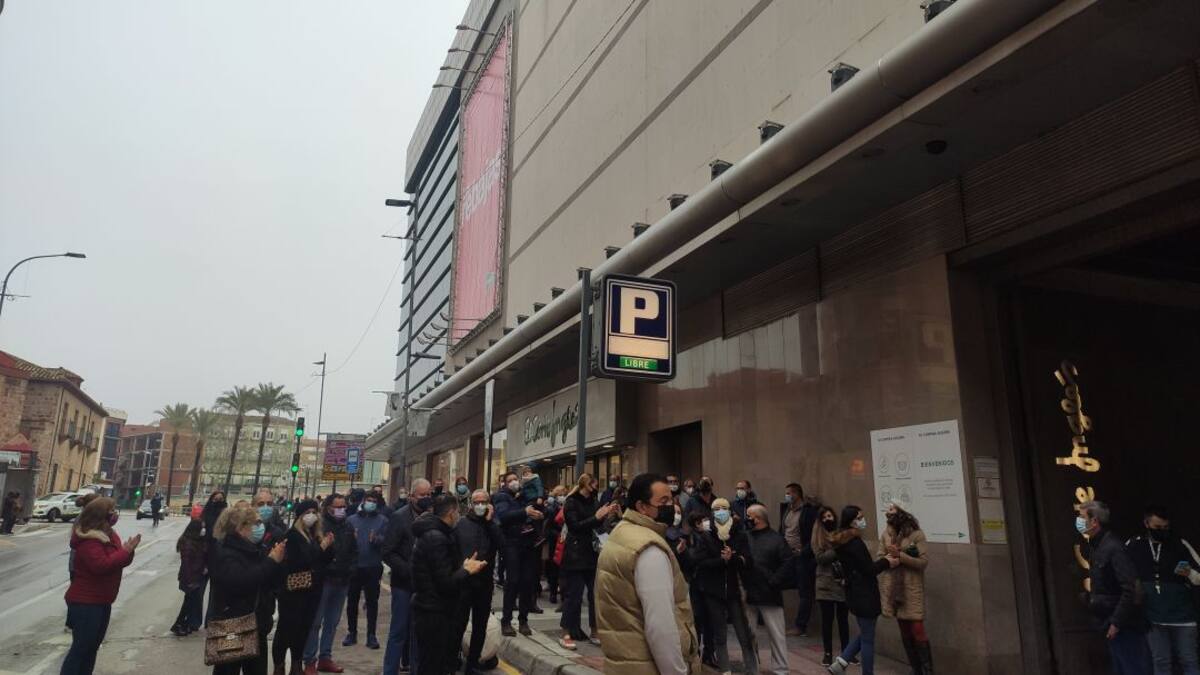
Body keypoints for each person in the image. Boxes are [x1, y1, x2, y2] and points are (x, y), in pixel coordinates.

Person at [595, 472, 701, 674]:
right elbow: (660, 627)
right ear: (642, 506)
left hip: (625, 662)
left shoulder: (621, 533)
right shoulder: (649, 549)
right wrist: (677, 671)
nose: (670, 507)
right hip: (646, 665)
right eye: (663, 501)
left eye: (671, 500)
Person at [60, 497, 140, 675]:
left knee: (91, 649)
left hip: (102, 600)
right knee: (81, 650)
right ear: (101, 515)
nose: (115, 514)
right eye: (112, 511)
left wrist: (128, 551)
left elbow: (117, 561)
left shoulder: (110, 535)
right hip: (86, 602)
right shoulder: (89, 539)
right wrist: (124, 551)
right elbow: (101, 566)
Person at [412, 493, 489, 675]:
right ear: (452, 513)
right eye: (457, 512)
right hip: (434, 612)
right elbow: (445, 583)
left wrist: (462, 566)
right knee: (433, 665)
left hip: (431, 609)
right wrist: (466, 570)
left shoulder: (434, 533)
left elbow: (439, 571)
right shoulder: (436, 537)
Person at [209, 503, 287, 675]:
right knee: (228, 670)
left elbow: (268, 581)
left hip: (256, 622)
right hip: (232, 624)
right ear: (241, 527)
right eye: (256, 523)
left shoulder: (253, 548)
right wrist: (271, 561)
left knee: (256, 669)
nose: (260, 527)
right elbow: (242, 580)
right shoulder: (226, 551)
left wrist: (277, 562)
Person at [684, 497, 758, 675]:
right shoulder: (706, 535)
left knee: (744, 633)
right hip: (713, 591)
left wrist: (733, 558)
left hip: (734, 590)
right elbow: (699, 562)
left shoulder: (739, 534)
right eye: (716, 509)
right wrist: (721, 560)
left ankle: (752, 669)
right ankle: (725, 670)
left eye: (724, 508)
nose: (720, 512)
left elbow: (747, 561)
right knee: (720, 634)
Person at [1127, 505, 1200, 675]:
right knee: (1161, 661)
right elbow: (1123, 574)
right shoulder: (1134, 544)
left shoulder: (1180, 544)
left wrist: (1188, 572)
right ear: (1146, 523)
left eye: (1166, 527)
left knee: (1188, 659)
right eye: (1157, 527)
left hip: (1183, 615)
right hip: (1153, 615)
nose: (1162, 531)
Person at [1078, 500, 1149, 675]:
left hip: (1124, 625)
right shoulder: (1097, 546)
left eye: (1082, 517)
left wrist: (1116, 622)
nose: (1079, 521)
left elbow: (1130, 588)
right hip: (1109, 622)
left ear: (1094, 521)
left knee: (1131, 667)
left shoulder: (1113, 548)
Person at [827, 506, 898, 675]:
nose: (863, 520)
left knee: (866, 632)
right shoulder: (854, 543)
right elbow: (868, 569)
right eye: (860, 517)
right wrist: (887, 561)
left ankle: (840, 663)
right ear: (852, 521)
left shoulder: (843, 541)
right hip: (864, 593)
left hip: (855, 592)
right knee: (868, 639)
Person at [273, 499, 333, 675]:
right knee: (286, 628)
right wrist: (322, 547)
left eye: (314, 512)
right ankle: (279, 666)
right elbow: (303, 560)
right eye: (308, 513)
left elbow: (325, 559)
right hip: (293, 590)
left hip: (312, 589)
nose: (312, 516)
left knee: (303, 629)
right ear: (300, 516)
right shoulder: (293, 535)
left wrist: (328, 545)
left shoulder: (314, 535)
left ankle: (296, 664)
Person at [559, 473, 619, 648]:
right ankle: (565, 632)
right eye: (593, 485)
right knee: (574, 596)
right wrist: (597, 517)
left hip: (592, 553)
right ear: (585, 485)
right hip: (576, 554)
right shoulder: (571, 502)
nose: (596, 488)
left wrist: (607, 516)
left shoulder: (593, 501)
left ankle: (595, 630)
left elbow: (597, 526)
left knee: (595, 595)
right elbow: (574, 526)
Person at [382, 478, 431, 675]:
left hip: (425, 585)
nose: (426, 499)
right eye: (422, 495)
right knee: (399, 631)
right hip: (403, 584)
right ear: (411, 496)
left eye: (429, 495)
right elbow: (387, 551)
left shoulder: (434, 517)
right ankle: (389, 671)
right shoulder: (399, 518)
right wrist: (408, 570)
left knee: (419, 634)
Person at [303, 494, 357, 673]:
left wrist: (351, 569)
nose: (341, 509)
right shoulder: (319, 525)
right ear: (328, 508)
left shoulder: (348, 525)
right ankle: (309, 660)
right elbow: (313, 553)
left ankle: (325, 657)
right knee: (315, 622)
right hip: (324, 580)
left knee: (332, 622)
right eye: (338, 506)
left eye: (344, 506)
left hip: (342, 580)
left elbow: (354, 551)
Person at [877, 502, 932, 674]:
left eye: (892, 510)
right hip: (895, 588)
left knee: (917, 629)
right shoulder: (886, 534)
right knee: (904, 630)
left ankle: (928, 670)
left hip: (912, 587)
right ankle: (915, 669)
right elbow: (880, 557)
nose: (889, 514)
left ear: (902, 512)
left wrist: (900, 555)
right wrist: (888, 557)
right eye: (887, 511)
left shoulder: (916, 534)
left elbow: (923, 562)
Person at [454, 489, 503, 674]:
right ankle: (453, 659)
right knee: (458, 623)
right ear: (471, 504)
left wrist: (490, 523)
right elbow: (453, 549)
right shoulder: (461, 524)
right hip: (464, 582)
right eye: (477, 502)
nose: (480, 505)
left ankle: (472, 663)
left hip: (484, 584)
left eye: (484, 502)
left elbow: (502, 545)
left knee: (480, 626)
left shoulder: (493, 525)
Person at [743, 505, 793, 675]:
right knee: (748, 634)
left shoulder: (777, 539)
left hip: (769, 593)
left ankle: (781, 670)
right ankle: (752, 668)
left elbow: (788, 563)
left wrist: (774, 581)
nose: (747, 519)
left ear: (758, 518)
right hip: (748, 591)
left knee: (776, 634)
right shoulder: (745, 537)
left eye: (749, 516)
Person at [493, 471, 542, 636]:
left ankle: (523, 620)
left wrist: (538, 513)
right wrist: (525, 513)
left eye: (515, 479)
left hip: (527, 544)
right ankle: (506, 621)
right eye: (510, 480)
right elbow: (504, 516)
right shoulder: (502, 497)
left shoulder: (524, 495)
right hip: (511, 544)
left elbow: (536, 509)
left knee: (527, 582)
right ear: (505, 484)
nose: (514, 482)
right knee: (512, 581)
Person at [344, 492, 388, 650]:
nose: (371, 503)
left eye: (374, 501)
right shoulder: (351, 520)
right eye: (368, 500)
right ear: (363, 502)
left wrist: (376, 540)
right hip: (355, 566)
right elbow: (345, 544)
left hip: (373, 566)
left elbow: (388, 541)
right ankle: (352, 632)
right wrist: (351, 538)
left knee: (372, 602)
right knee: (352, 601)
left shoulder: (382, 520)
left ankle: (371, 635)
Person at [812, 505, 849, 666]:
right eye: (825, 518)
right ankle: (827, 653)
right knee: (827, 621)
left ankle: (847, 652)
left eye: (830, 516)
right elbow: (819, 558)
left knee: (843, 619)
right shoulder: (818, 536)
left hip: (841, 582)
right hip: (825, 583)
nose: (829, 519)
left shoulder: (841, 533)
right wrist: (837, 549)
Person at [780, 482, 818, 636]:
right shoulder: (787, 510)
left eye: (789, 493)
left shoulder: (808, 512)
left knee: (805, 591)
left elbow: (814, 536)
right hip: (787, 556)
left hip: (802, 556)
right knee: (778, 583)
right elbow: (783, 530)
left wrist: (804, 551)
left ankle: (800, 626)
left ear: (797, 494)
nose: (787, 495)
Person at [171, 518, 207, 636]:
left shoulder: (196, 541)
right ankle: (178, 624)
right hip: (190, 578)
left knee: (190, 602)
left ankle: (183, 624)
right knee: (189, 602)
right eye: (202, 527)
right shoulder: (187, 543)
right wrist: (190, 581)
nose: (203, 530)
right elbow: (186, 564)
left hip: (195, 576)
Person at [543, 485, 567, 605]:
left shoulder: (567, 507)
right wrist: (558, 534)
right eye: (560, 495)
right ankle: (553, 591)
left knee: (563, 569)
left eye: (564, 494)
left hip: (564, 541)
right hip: (555, 541)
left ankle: (563, 594)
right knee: (554, 568)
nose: (562, 497)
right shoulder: (552, 509)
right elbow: (548, 528)